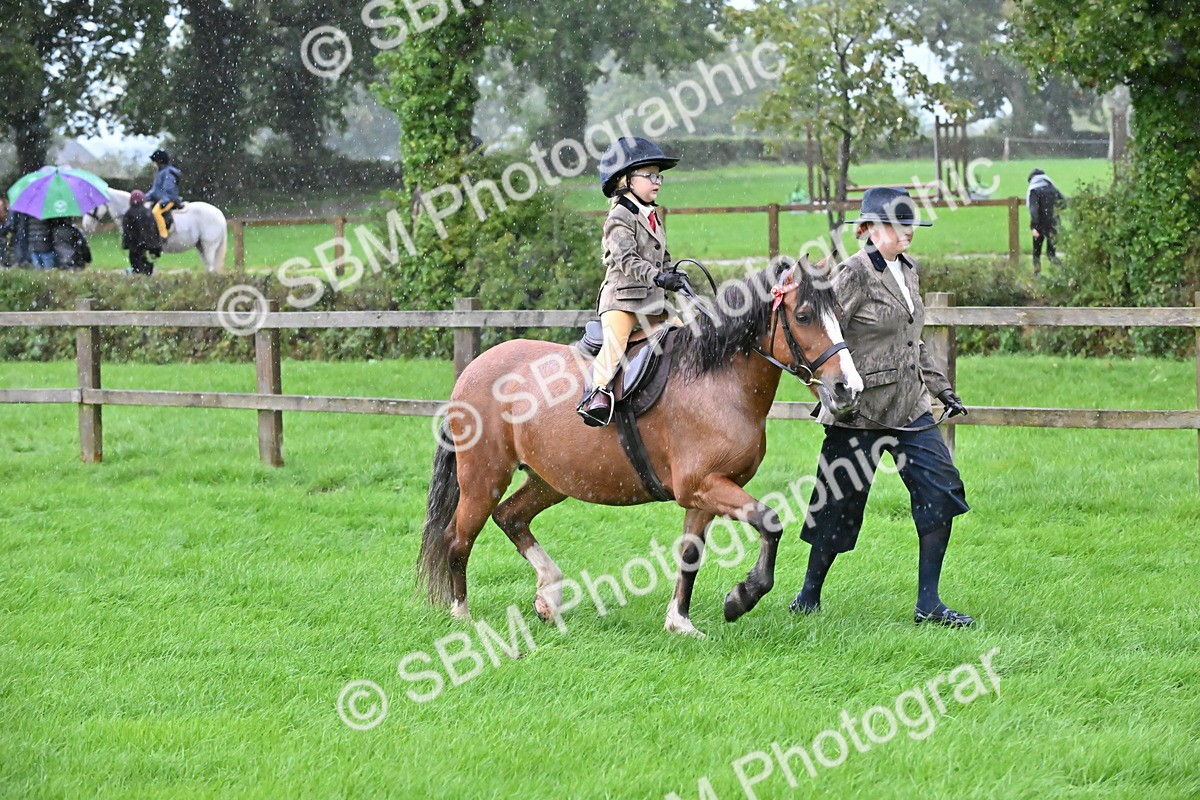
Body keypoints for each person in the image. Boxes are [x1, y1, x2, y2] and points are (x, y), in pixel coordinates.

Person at [790, 187, 974, 627]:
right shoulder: (852, 274)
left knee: (941, 491)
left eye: (911, 224)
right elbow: (825, 334)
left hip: (910, 407)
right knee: (838, 506)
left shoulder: (909, 270)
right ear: (871, 229)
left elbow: (912, 342)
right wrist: (831, 390)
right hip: (860, 410)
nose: (908, 232)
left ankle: (928, 604)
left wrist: (941, 389)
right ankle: (807, 596)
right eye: (898, 225)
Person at [577, 136, 688, 427]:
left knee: (688, 338)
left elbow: (660, 256)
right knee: (615, 347)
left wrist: (673, 273)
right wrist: (659, 277)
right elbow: (628, 261)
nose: (657, 181)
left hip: (653, 304)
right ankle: (596, 396)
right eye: (649, 176)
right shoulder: (618, 217)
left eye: (658, 176)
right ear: (625, 180)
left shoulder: (653, 215)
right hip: (622, 301)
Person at [1027, 167, 1065, 273]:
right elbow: (1064, 203)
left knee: (1036, 254)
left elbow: (1034, 210)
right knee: (1051, 254)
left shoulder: (1034, 191)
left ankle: (1037, 276)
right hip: (1054, 225)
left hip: (1039, 226)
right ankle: (1064, 272)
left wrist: (1034, 226)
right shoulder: (1053, 188)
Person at [145, 148, 182, 241]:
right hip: (162, 199)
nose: (153, 164)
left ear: (159, 161)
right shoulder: (160, 172)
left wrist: (164, 201)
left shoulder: (168, 173)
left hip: (169, 200)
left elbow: (169, 189)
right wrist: (144, 197)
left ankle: (163, 235)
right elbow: (155, 191)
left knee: (156, 212)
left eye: (154, 161)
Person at [122, 190, 160, 275]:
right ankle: (147, 272)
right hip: (148, 245)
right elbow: (155, 229)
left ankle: (140, 276)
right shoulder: (148, 212)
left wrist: (126, 244)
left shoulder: (128, 214)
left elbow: (127, 233)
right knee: (145, 264)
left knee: (136, 264)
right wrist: (156, 247)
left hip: (135, 246)